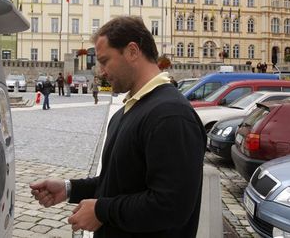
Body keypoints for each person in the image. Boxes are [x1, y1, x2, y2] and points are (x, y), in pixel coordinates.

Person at [30, 16, 206, 237]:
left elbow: (172, 206)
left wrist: (102, 211)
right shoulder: (131, 108)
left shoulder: (170, 115)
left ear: (132, 52)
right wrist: (68, 188)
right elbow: (115, 183)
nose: (101, 71)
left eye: (104, 61)